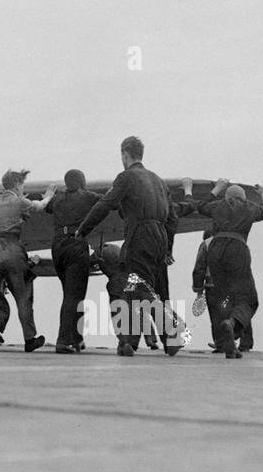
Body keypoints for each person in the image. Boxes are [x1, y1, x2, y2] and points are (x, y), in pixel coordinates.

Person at [76, 136, 187, 356]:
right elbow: (173, 218)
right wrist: (168, 249)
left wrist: (83, 229)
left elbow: (105, 204)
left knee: (134, 287)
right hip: (161, 236)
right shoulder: (159, 181)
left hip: (140, 235)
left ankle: (160, 333)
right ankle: (168, 340)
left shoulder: (125, 177)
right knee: (159, 289)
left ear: (125, 155)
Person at [180, 178, 263, 358]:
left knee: (222, 298)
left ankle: (229, 346)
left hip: (216, 252)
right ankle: (232, 324)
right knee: (248, 299)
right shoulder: (249, 207)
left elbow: (201, 205)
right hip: (237, 248)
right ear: (242, 198)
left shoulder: (218, 206)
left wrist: (216, 188)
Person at [0, 169, 54, 352]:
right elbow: (38, 207)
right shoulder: (20, 201)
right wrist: (48, 197)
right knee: (23, 296)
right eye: (22, 185)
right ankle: (29, 339)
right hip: (11, 249)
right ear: (18, 185)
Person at [46, 170, 99, 354]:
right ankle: (63, 340)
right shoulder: (87, 196)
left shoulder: (58, 198)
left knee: (70, 293)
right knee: (74, 296)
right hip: (76, 244)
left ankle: (76, 338)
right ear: (82, 182)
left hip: (57, 246)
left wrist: (49, 194)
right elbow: (109, 202)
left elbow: (47, 206)